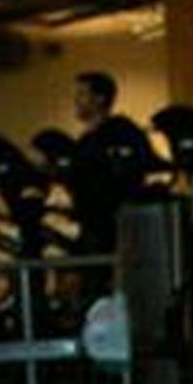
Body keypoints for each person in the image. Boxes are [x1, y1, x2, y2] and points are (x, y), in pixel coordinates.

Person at [67, 69, 158, 254]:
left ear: (100, 98)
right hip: (90, 222)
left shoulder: (122, 132)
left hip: (115, 223)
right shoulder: (84, 141)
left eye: (82, 94)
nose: (75, 100)